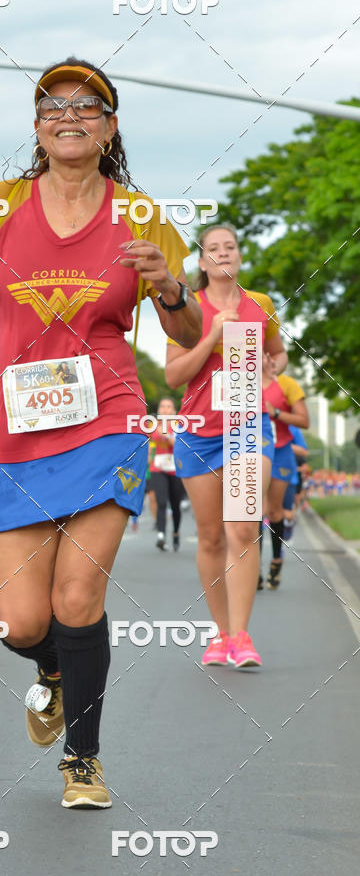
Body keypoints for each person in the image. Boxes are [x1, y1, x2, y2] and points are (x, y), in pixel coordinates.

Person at [0, 57, 202, 808]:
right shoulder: (1, 206)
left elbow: (188, 330)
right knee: (22, 620)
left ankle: (83, 760)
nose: (69, 115)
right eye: (52, 106)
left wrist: (168, 286)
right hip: (15, 435)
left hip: (107, 423)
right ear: (37, 128)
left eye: (87, 105)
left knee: (77, 600)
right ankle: (54, 671)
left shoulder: (140, 215)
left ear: (110, 126)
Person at [165, 223, 287, 668]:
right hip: (197, 432)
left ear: (239, 256)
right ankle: (219, 634)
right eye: (212, 249)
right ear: (201, 262)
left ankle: (242, 636)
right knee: (212, 535)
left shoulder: (261, 305)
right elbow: (174, 376)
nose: (222, 253)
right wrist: (213, 335)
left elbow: (278, 351)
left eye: (229, 247)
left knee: (242, 527)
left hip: (247, 428)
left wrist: (272, 366)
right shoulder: (188, 309)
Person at [261, 364, 309, 589]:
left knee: (274, 510)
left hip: (280, 452)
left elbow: (304, 421)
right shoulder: (237, 380)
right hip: (249, 450)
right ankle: (252, 568)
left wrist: (277, 413)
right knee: (254, 510)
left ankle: (276, 559)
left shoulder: (286, 384)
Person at [149, 396, 186, 550]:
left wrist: (167, 435)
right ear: (158, 410)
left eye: (169, 406)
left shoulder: (179, 426)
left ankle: (176, 533)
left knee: (175, 505)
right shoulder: (153, 425)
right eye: (162, 406)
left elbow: (179, 445)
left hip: (175, 468)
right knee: (161, 501)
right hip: (158, 468)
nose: (165, 409)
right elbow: (148, 444)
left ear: (174, 411)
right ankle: (161, 535)